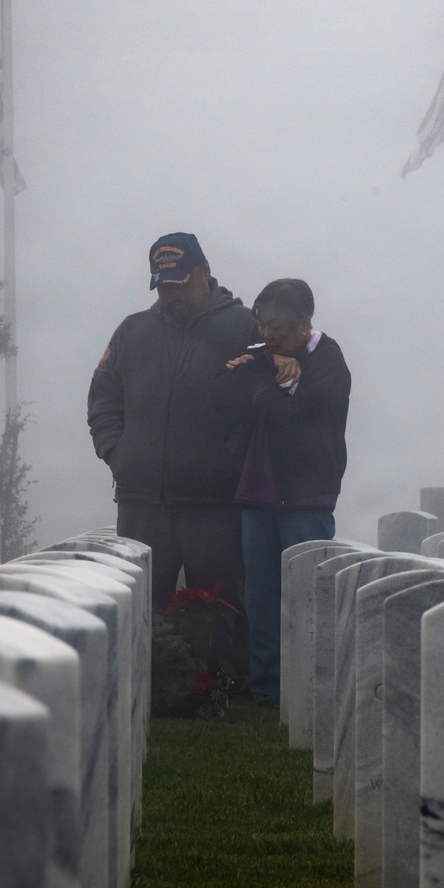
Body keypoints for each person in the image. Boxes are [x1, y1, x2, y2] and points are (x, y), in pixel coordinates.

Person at [87, 232, 259, 609]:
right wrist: (118, 453)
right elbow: (103, 396)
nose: (171, 294)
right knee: (138, 617)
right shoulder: (131, 331)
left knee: (221, 619)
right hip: (141, 506)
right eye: (162, 285)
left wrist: (229, 462)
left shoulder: (245, 328)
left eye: (179, 283)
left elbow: (261, 408)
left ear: (205, 271)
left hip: (214, 507)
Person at [215, 278, 351, 705]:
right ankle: (265, 689)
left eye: (278, 327)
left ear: (305, 325)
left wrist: (266, 385)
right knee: (261, 599)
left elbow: (297, 416)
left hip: (305, 498)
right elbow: (223, 394)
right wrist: (273, 373)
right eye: (262, 325)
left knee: (309, 599)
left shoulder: (329, 361)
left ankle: (313, 688)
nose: (268, 334)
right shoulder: (261, 357)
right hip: (257, 495)